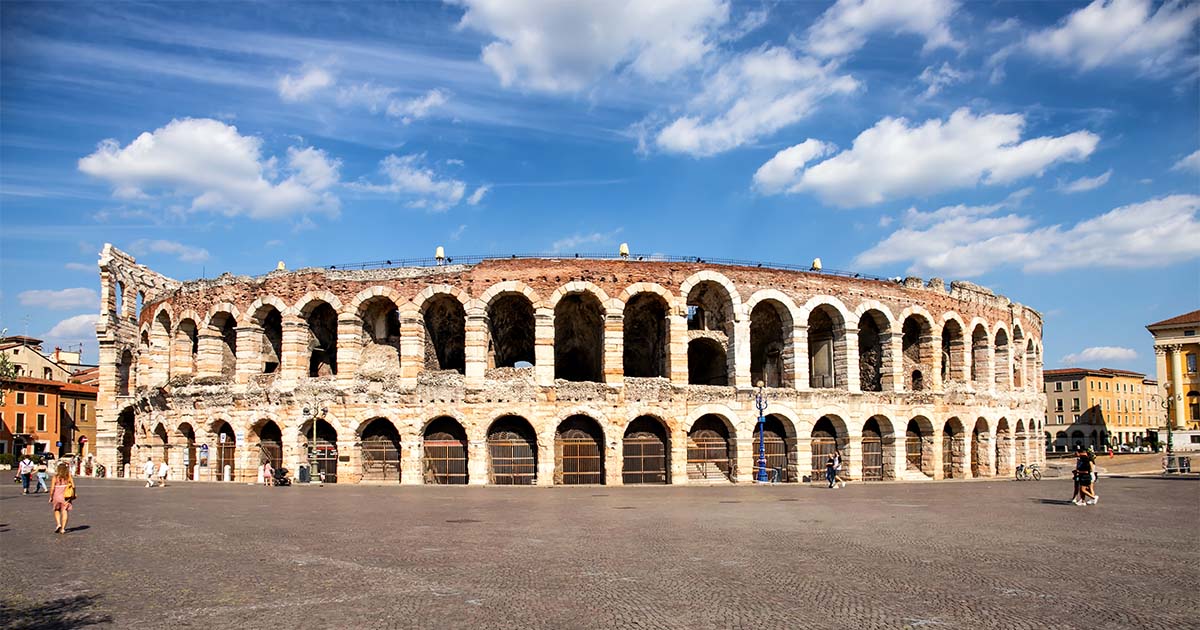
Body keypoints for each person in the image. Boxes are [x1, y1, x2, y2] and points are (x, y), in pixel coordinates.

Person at [49, 462, 76, 534]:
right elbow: (73, 486)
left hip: (56, 495)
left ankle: (58, 524)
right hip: (66, 496)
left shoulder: (55, 477)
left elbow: (52, 489)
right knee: (65, 511)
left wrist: (51, 497)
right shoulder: (68, 476)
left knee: (56, 509)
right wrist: (73, 494)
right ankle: (63, 529)